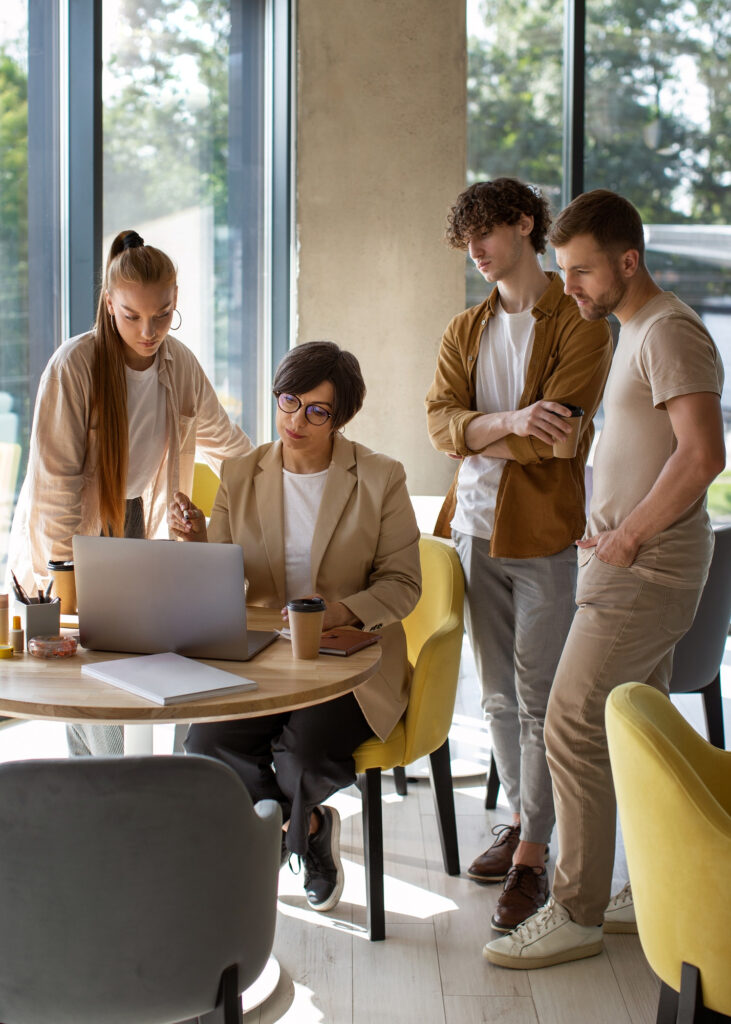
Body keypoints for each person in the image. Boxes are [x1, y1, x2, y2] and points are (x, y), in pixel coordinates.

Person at [484, 189, 725, 969]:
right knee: (633, 733)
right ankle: (647, 886)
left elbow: (701, 456)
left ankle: (575, 909)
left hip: (643, 566)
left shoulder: (670, 332)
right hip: (622, 559)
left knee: (571, 722)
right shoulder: (633, 330)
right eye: (565, 272)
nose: (573, 286)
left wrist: (625, 535)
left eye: (583, 271)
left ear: (628, 260)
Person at [170, 341, 421, 912]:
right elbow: (222, 575)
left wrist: (339, 610)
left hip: (349, 662)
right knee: (207, 742)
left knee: (303, 755)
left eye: (316, 410)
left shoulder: (380, 478)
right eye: (288, 402)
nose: (296, 420)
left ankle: (275, 843)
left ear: (341, 417)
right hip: (261, 656)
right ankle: (307, 832)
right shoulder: (241, 472)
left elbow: (404, 584)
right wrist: (195, 543)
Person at [425, 178, 613, 931]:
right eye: (466, 238)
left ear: (525, 226)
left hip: (542, 538)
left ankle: (533, 852)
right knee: (497, 698)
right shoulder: (463, 329)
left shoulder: (579, 325)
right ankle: (521, 822)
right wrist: (504, 420)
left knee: (541, 702)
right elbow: (438, 425)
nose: (475, 249)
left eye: (488, 232)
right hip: (471, 531)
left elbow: (560, 437)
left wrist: (478, 431)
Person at [7, 229, 253, 755]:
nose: (149, 330)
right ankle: (110, 805)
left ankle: (124, 802)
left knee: (139, 681)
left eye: (162, 314)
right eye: (132, 316)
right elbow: (55, 490)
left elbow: (227, 445)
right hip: (73, 538)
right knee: (94, 688)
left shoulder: (180, 364)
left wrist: (285, 471)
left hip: (140, 524)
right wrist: (62, 583)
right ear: (109, 304)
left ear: (175, 302)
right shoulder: (74, 367)